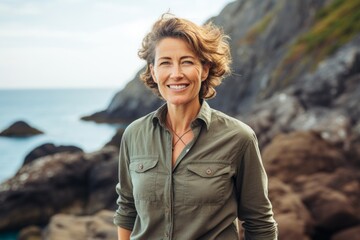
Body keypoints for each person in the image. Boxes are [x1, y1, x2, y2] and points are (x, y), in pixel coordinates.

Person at [114, 14, 278, 240]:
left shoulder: (239, 138)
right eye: (165, 63)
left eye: (187, 61)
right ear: (153, 71)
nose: (176, 73)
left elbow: (259, 222)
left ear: (204, 69)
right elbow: (127, 209)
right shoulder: (134, 134)